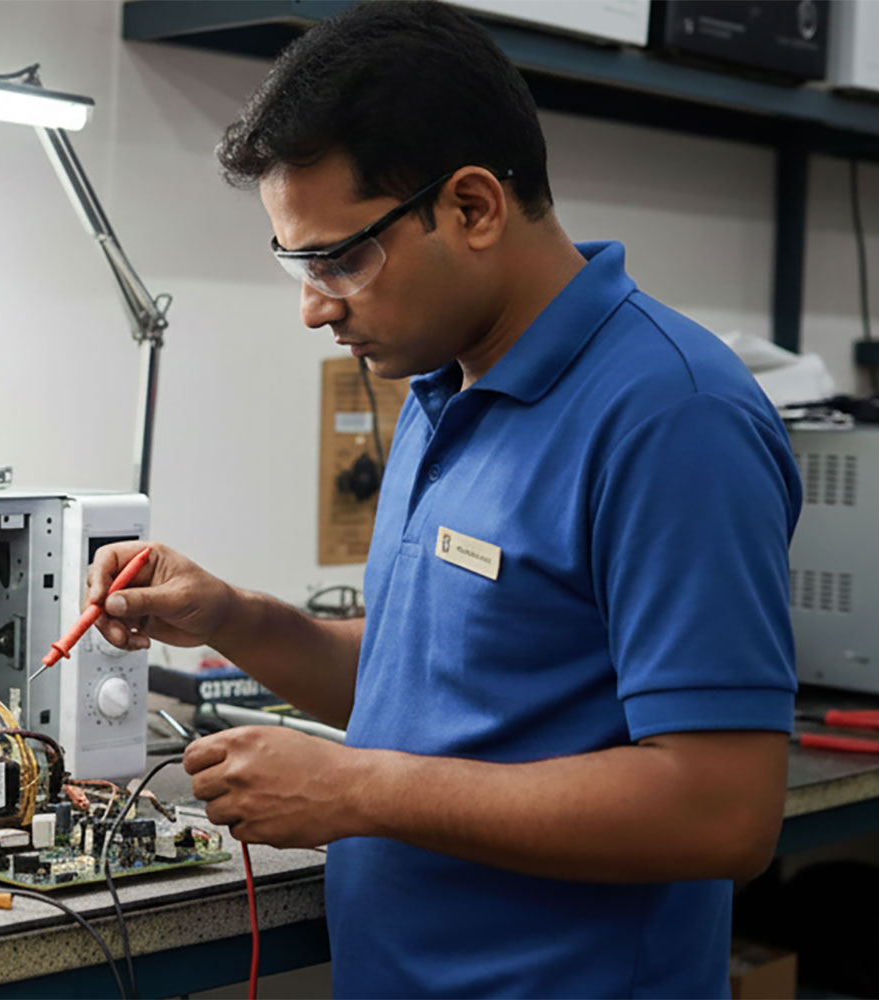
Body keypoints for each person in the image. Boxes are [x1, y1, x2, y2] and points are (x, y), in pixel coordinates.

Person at [86, 3, 803, 996]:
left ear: (471, 208)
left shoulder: (672, 417)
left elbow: (722, 812)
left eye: (339, 259)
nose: (314, 307)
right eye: (297, 264)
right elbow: (435, 687)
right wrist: (231, 618)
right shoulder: (444, 385)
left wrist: (357, 789)